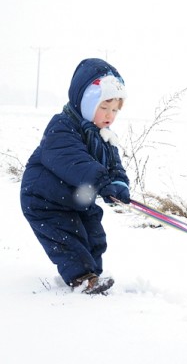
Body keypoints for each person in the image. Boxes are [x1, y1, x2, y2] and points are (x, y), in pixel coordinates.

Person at [20, 58, 131, 295]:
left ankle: (94, 275)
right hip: (45, 199)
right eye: (104, 107)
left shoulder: (104, 136)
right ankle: (82, 278)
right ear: (86, 101)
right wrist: (102, 182)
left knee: (95, 237)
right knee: (68, 240)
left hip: (77, 198)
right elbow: (74, 161)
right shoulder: (62, 126)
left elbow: (114, 165)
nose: (110, 115)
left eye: (115, 110)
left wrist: (118, 185)